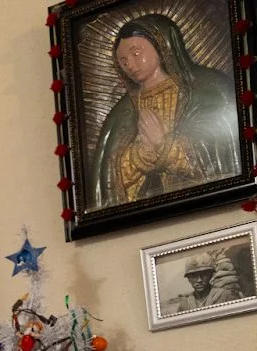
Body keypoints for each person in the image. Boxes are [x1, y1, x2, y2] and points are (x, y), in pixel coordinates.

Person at [90, 14, 241, 209]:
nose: (130, 65)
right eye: (123, 60)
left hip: (207, 207)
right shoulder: (122, 112)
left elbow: (221, 143)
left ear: (161, 46)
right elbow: (108, 173)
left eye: (136, 53)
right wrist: (138, 156)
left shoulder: (209, 89)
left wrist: (166, 146)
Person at [170, 253, 243, 312]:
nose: (199, 280)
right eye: (194, 276)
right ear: (189, 279)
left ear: (211, 275)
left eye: (204, 274)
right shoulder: (185, 304)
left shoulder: (225, 295)